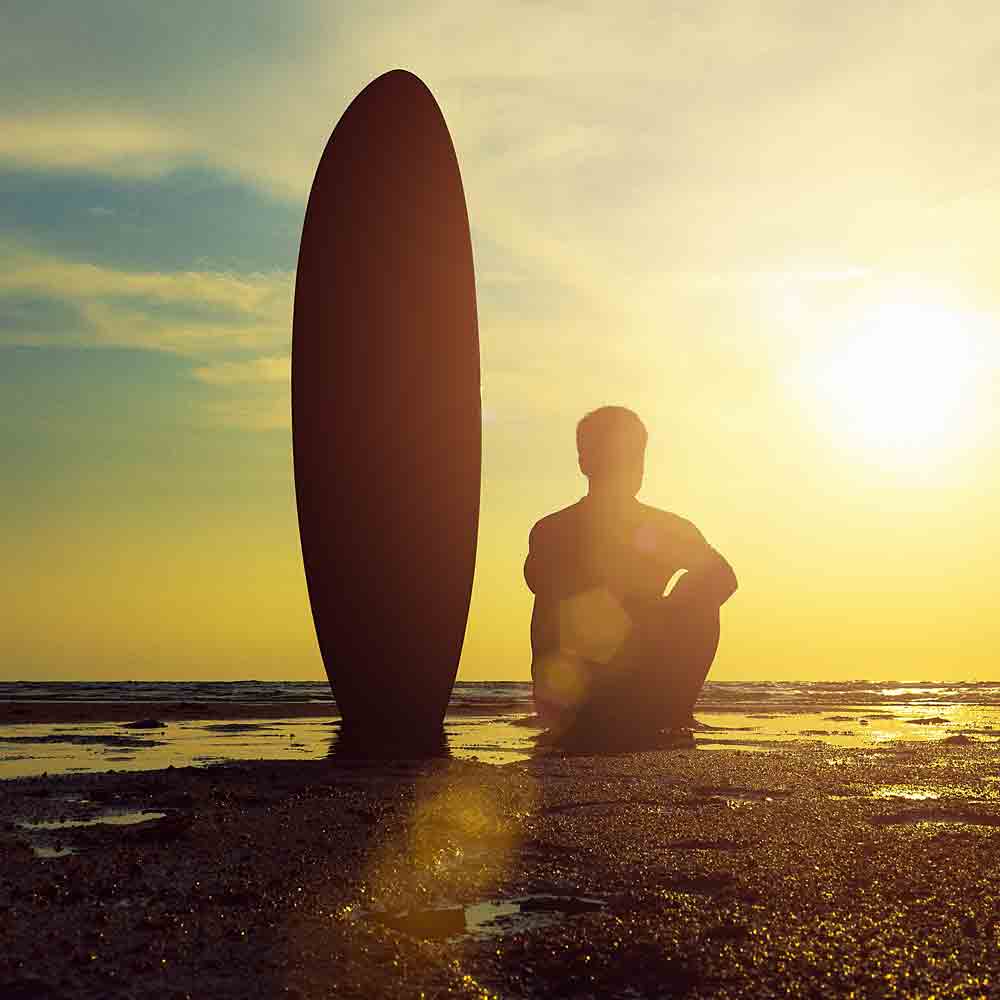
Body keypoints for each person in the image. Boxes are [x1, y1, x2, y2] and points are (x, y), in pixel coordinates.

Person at [523, 406, 737, 744]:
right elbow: (546, 587)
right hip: (578, 694)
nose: (626, 468)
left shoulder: (668, 529)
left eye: (634, 457)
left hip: (644, 685)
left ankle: (673, 708)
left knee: (700, 587)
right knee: (563, 602)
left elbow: (724, 579)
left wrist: (659, 608)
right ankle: (585, 709)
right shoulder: (553, 531)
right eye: (614, 456)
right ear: (585, 462)